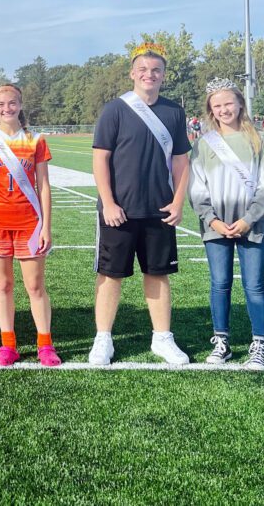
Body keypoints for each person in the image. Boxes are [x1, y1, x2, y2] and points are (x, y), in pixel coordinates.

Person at [88, 43, 191, 366]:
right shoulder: (115, 109)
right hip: (118, 210)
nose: (150, 75)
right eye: (143, 70)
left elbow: (181, 162)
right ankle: (103, 338)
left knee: (158, 273)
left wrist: (177, 202)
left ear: (163, 75)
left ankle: (162, 338)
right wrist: (108, 202)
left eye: (156, 70)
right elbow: (100, 158)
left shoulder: (174, 111)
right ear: (133, 74)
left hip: (159, 210)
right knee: (110, 274)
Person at [190, 78, 264, 369]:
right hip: (215, 225)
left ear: (240, 103)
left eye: (229, 103)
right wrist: (211, 220)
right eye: (217, 106)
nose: (224, 109)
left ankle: (259, 344)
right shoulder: (204, 144)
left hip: (251, 224)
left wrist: (247, 219)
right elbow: (196, 186)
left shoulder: (259, 141)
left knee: (254, 286)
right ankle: (221, 342)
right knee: (220, 284)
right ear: (210, 111)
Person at [0, 85, 60, 367]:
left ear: (20, 105)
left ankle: (45, 344)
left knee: (35, 286)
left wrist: (46, 226)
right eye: (0, 104)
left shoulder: (35, 140)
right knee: (3, 285)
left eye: (12, 103)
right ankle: (8, 345)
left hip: (29, 224)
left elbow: (44, 187)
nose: (6, 108)